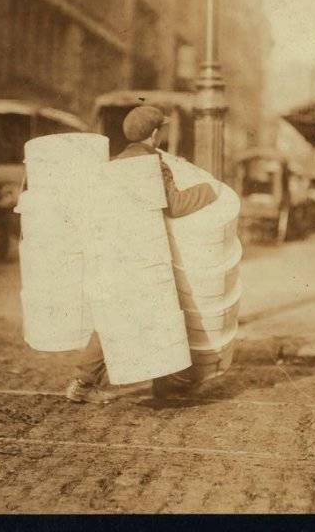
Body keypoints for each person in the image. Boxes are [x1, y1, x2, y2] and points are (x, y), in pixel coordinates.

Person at [65, 106, 217, 404]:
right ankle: (166, 385)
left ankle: (82, 381)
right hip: (144, 254)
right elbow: (176, 205)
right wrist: (209, 190)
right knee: (162, 312)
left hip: (113, 253)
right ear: (156, 134)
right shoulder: (152, 165)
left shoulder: (114, 164)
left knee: (115, 314)